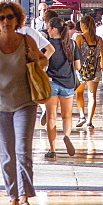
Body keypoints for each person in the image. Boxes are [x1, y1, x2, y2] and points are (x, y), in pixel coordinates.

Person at [0, 1, 47, 205]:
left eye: (10, 17)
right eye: (2, 18)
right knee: (7, 154)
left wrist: (37, 57)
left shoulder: (26, 40)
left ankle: (25, 199)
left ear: (17, 20)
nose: (6, 21)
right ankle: (13, 198)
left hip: (25, 102)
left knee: (23, 151)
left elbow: (43, 61)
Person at [43, 17, 81, 159]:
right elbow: (77, 66)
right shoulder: (71, 43)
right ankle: (66, 135)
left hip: (51, 82)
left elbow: (42, 64)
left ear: (54, 29)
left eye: (49, 28)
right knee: (67, 115)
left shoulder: (47, 45)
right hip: (68, 83)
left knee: (51, 117)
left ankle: (52, 149)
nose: (47, 30)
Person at [73, 14, 103, 129]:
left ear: (83, 25)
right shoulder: (99, 39)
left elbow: (75, 54)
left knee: (79, 93)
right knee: (92, 95)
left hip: (81, 70)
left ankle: (82, 115)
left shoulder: (80, 37)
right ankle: (89, 121)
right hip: (95, 70)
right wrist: (101, 68)